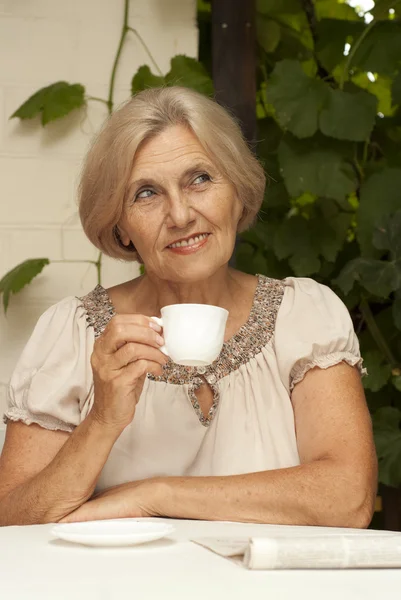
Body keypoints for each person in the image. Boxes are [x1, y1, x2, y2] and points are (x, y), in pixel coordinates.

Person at [0, 87, 377, 527]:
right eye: (146, 193)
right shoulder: (75, 332)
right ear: (119, 226)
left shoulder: (304, 314)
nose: (180, 215)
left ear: (237, 191)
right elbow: (11, 519)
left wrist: (154, 495)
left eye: (200, 179)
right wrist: (102, 419)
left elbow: (348, 499)